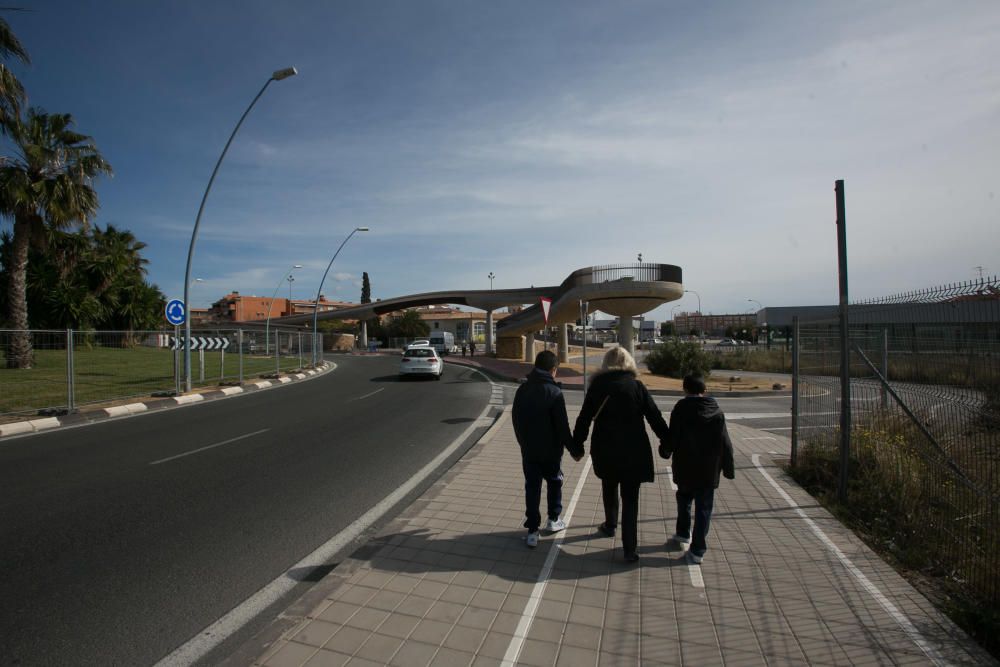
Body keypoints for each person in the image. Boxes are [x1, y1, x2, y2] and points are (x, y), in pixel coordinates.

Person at [573, 347, 669, 562]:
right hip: (634, 449)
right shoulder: (636, 386)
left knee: (608, 484)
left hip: (605, 448)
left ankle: (609, 524)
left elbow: (584, 418)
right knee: (631, 498)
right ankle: (629, 549)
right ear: (629, 363)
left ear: (606, 363)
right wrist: (667, 442)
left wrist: (576, 445)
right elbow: (655, 417)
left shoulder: (597, 386)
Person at [660, 373, 735, 564]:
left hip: (685, 465)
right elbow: (725, 441)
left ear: (685, 389)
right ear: (704, 390)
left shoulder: (681, 409)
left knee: (684, 499)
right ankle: (698, 550)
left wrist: (665, 451)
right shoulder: (716, 412)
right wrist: (728, 468)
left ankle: (683, 533)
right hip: (709, 469)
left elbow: (673, 436)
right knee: (704, 508)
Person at [512, 350, 584, 548]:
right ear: (553, 370)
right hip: (551, 452)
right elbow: (562, 428)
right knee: (554, 482)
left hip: (529, 451)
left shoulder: (522, 390)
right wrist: (575, 451)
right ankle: (553, 519)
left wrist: (523, 443)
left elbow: (516, 420)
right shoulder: (555, 393)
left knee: (532, 487)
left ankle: (532, 531)